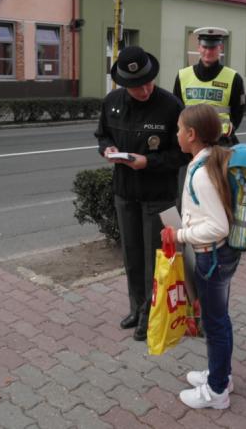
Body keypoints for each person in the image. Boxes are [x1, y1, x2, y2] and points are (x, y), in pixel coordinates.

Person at [95, 46, 188, 341]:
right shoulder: (111, 103)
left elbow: (183, 152)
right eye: (137, 86)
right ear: (124, 84)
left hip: (159, 197)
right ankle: (136, 308)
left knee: (156, 260)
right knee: (132, 257)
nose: (145, 90)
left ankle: (151, 315)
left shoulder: (172, 106)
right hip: (125, 193)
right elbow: (102, 134)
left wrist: (150, 162)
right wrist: (107, 149)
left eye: (149, 82)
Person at [162, 104, 241, 409]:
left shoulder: (201, 173)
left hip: (213, 260)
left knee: (215, 323)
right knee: (220, 320)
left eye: (179, 129)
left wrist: (177, 235)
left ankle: (217, 391)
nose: (177, 134)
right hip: (220, 258)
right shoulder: (207, 160)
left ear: (191, 134)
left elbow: (217, 225)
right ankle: (222, 374)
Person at [173, 26, 245, 147]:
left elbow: (238, 113)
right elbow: (176, 110)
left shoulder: (234, 78)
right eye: (205, 47)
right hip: (191, 144)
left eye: (212, 47)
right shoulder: (182, 76)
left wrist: (228, 132)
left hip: (220, 144)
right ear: (199, 48)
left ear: (220, 48)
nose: (208, 52)